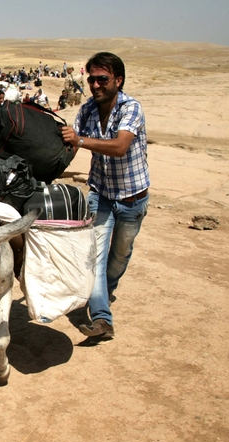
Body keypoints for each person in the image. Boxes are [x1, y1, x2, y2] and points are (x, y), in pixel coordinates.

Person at [60, 52, 149, 339]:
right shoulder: (86, 110)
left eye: (102, 79)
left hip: (132, 197)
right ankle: (101, 318)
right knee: (94, 255)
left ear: (117, 80)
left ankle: (105, 291)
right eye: (91, 80)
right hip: (100, 194)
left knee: (120, 255)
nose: (95, 85)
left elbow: (120, 146)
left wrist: (81, 140)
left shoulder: (131, 108)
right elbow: (71, 146)